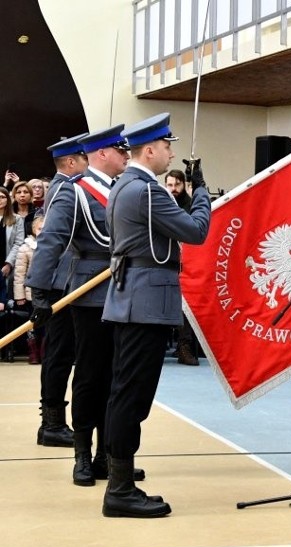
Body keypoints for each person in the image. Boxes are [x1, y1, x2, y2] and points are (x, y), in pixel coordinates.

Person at [100, 113, 210, 517]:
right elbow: (196, 231)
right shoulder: (146, 191)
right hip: (145, 303)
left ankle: (120, 481)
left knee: (126, 393)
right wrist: (200, 191)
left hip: (132, 299)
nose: (171, 153)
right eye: (167, 147)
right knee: (132, 397)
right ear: (150, 149)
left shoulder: (124, 185)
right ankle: (120, 490)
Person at [29, 125, 137, 488]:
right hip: (89, 296)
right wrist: (41, 291)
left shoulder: (127, 190)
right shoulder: (74, 193)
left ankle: (110, 454)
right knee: (90, 376)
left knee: (118, 379)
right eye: (121, 151)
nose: (127, 156)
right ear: (102, 154)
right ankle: (82, 455)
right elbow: (52, 241)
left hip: (125, 291)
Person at [34, 133, 88, 448]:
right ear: (70, 162)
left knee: (62, 353)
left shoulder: (66, 187)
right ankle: (51, 424)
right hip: (60, 285)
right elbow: (51, 240)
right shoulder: (66, 189)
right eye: (83, 159)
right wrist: (40, 292)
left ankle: (52, 422)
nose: (87, 163)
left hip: (65, 283)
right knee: (58, 353)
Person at [163, 169, 199, 365]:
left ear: (184, 185)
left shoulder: (191, 205)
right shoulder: (161, 201)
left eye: (177, 184)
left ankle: (184, 347)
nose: (173, 189)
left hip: (189, 263)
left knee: (186, 307)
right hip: (164, 261)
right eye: (170, 185)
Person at [14, 212, 45, 364]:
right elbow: (19, 274)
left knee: (46, 325)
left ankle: (44, 351)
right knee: (32, 324)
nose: (42, 232)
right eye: (39, 229)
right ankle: (33, 351)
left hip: (47, 293)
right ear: (33, 230)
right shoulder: (25, 248)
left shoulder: (52, 246)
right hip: (30, 294)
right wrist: (19, 295)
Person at [0, 186, 25, 361]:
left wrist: (9, 263)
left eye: (2, 196)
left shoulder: (16, 220)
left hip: (8, 266)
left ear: (8, 200)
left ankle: (9, 349)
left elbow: (18, 243)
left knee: (6, 306)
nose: (0, 199)